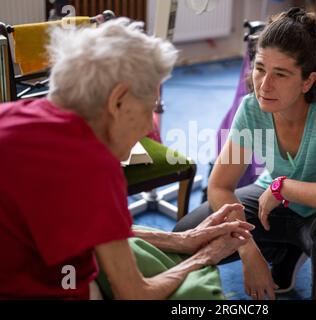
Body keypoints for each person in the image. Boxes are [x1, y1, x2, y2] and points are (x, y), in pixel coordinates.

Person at [0, 18, 254, 300]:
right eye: (150, 109)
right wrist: (203, 257)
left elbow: (93, 227)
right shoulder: (93, 166)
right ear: (118, 100)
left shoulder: (15, 114)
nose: (150, 127)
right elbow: (135, 294)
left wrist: (183, 239)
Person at [174, 7, 316, 300]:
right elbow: (220, 186)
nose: (264, 85)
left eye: (280, 74)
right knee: (188, 236)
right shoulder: (251, 108)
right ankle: (286, 249)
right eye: (260, 69)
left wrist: (283, 188)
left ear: (307, 81)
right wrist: (247, 249)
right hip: (273, 203)